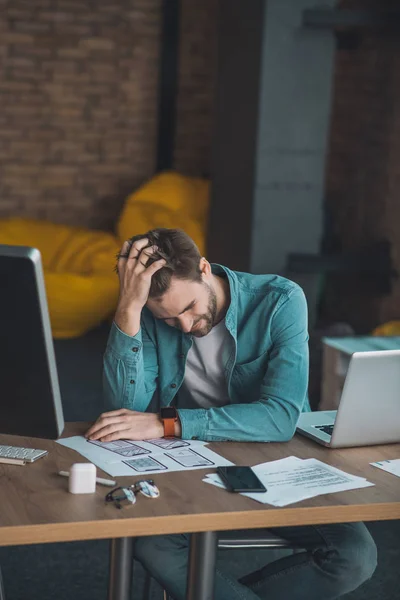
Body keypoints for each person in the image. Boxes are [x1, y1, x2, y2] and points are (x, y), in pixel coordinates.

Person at [86, 229, 377, 600]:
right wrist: (128, 308)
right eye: (170, 320)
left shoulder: (280, 300)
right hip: (190, 464)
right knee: (153, 547)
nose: (186, 327)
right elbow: (124, 410)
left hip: (274, 461)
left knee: (355, 557)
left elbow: (279, 417)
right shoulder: (147, 313)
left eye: (189, 308)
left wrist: (170, 423)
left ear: (205, 269)